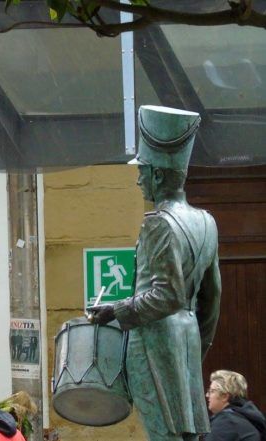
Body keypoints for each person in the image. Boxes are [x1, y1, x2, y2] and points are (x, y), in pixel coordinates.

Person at [88, 105, 222, 441]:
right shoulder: (206, 221)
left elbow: (167, 294)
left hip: (154, 342)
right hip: (187, 338)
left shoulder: (158, 223)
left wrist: (116, 310)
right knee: (186, 435)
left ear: (159, 175)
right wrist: (198, 344)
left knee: (165, 434)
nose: (138, 179)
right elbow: (213, 295)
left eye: (143, 171)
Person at [205, 370, 266, 441]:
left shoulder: (226, 422)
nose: (207, 395)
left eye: (212, 391)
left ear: (224, 396)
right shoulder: (248, 418)